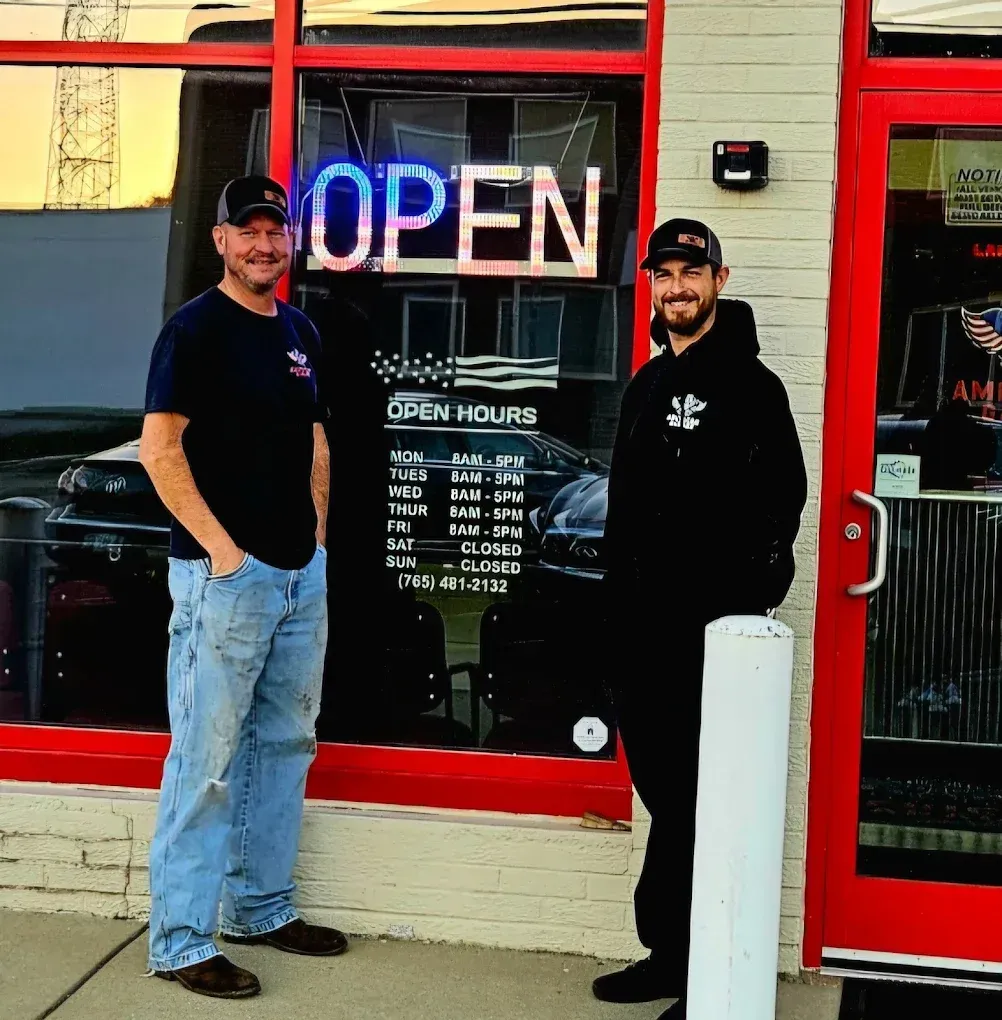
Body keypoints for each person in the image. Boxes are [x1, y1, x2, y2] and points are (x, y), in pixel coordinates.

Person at [593, 219, 807, 1019]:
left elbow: (781, 506)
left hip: (711, 641)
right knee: (672, 799)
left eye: (692, 271)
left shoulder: (753, 388)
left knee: (701, 802)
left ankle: (707, 972)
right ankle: (668, 954)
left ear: (720, 277)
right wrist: (613, 616)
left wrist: (743, 607)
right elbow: (624, 511)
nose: (677, 286)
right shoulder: (646, 386)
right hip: (640, 637)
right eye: (664, 273)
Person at [140, 175, 344, 999]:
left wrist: (317, 541)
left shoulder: (298, 331)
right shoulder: (192, 332)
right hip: (225, 582)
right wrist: (225, 554)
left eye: (275, 229)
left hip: (299, 580)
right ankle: (182, 940)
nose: (264, 243)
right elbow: (160, 450)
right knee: (207, 761)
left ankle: (260, 907)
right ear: (220, 240)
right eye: (247, 230)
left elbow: (315, 440)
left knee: (286, 745)